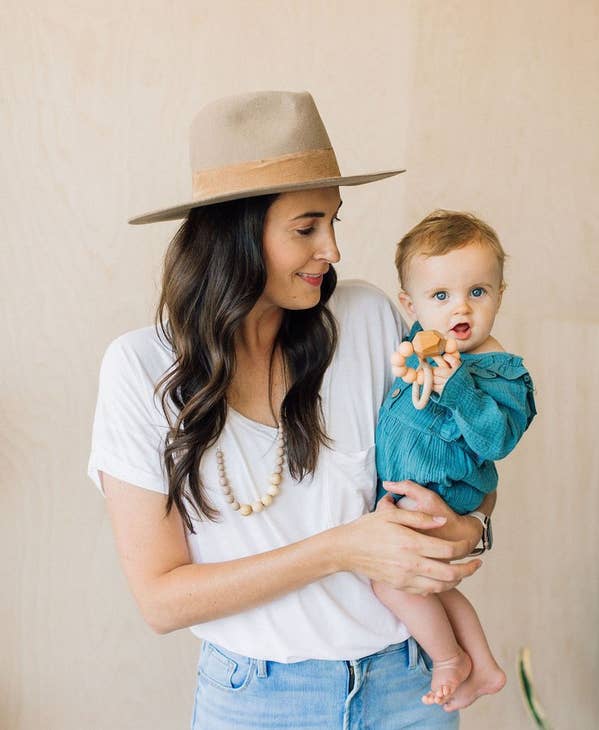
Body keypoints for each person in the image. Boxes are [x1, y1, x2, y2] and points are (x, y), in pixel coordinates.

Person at [88, 91, 495, 729]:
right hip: (258, 701)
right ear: (235, 236)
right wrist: (340, 549)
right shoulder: (141, 371)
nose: (331, 249)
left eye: (334, 221)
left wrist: (474, 526)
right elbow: (160, 600)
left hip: (410, 688)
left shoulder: (369, 320)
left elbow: (459, 462)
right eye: (306, 228)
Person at [373, 210, 537, 710]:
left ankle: (448, 659)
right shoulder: (424, 348)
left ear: (500, 295)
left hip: (444, 496)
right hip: (408, 494)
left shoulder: (501, 373)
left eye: (478, 292)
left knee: (389, 582)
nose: (460, 307)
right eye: (440, 296)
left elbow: (497, 441)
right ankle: (483, 664)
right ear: (411, 304)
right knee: (435, 588)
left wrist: (459, 390)